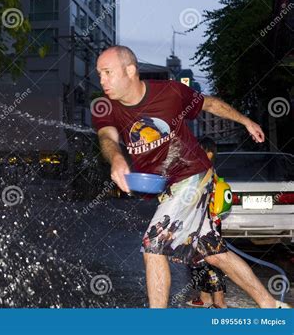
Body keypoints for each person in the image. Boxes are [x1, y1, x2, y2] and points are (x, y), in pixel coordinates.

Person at [91, 45, 291, 308]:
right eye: (99, 74)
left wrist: (246, 121)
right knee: (214, 253)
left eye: (107, 72)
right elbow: (107, 136)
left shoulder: (171, 92)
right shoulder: (105, 106)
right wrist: (117, 158)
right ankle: (270, 304)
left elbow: (211, 103)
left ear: (130, 70)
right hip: (169, 186)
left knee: (154, 245)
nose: (102, 80)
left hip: (193, 174)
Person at [186, 137, 227, 308]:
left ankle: (218, 301)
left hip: (206, 224)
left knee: (212, 261)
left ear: (209, 153)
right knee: (199, 262)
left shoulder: (206, 171)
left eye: (198, 150)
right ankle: (205, 297)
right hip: (203, 222)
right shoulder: (206, 170)